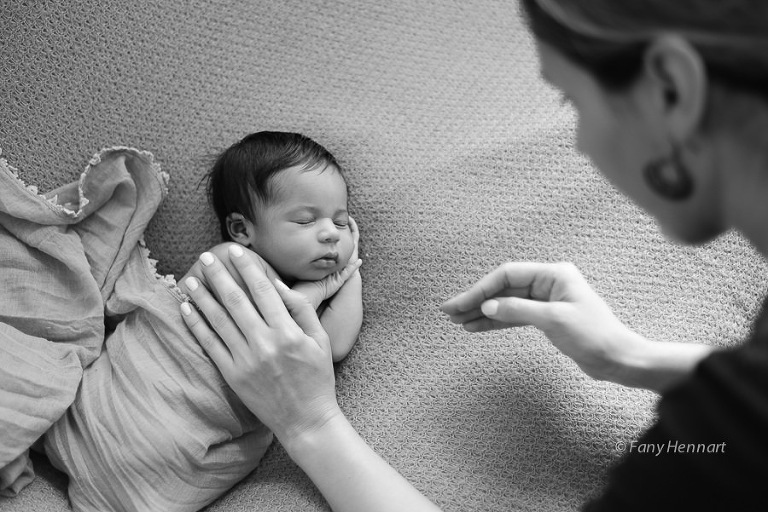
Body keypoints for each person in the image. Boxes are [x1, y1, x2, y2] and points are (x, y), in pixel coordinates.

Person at [179, 0, 768, 510]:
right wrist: (633, 359)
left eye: (573, 102)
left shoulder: (708, 442)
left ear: (673, 86)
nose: (582, 143)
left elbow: (728, 437)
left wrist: (309, 424)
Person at [43, 132, 363, 511]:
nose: (329, 233)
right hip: (137, 394)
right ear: (242, 230)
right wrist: (324, 286)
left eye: (341, 223)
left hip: (175, 448)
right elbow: (277, 313)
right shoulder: (228, 262)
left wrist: (351, 273)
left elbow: (334, 346)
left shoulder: (307, 296)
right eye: (305, 220)